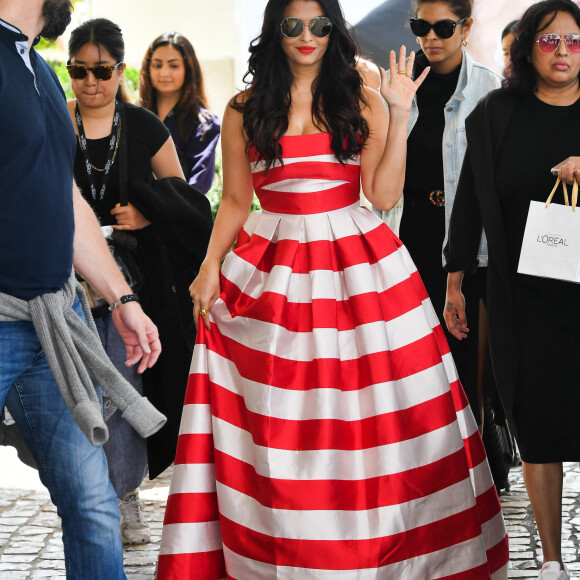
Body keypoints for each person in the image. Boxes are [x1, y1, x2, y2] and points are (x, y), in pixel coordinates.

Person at [157, 0, 509, 577]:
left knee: (369, 414)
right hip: (269, 270)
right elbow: (239, 203)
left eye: (319, 25)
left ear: (334, 31)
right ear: (274, 30)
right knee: (277, 418)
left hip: (358, 268)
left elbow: (385, 193)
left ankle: (376, 549)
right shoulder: (244, 108)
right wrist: (207, 266)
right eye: (292, 25)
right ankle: (285, 543)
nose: (306, 37)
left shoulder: (361, 96)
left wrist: (398, 113)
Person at [0, 0, 163, 577]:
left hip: (54, 324)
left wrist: (122, 298)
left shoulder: (38, 69)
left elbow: (64, 200)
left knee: (94, 506)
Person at [443, 1, 580, 578]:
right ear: (526, 48)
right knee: (538, 422)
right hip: (524, 296)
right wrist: (454, 279)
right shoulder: (497, 112)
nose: (562, 52)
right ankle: (552, 561)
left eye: (573, 41)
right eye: (548, 41)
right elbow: (471, 199)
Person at [67, 18, 212, 546]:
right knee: (72, 388)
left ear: (120, 70)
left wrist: (149, 214)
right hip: (65, 280)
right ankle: (86, 496)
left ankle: (124, 496)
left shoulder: (145, 126)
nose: (90, 82)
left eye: (101, 70)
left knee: (122, 380)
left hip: (134, 280)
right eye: (79, 70)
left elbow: (185, 204)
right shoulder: (58, 122)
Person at [373, 0, 501, 429]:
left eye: (443, 28)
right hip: (409, 239)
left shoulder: (490, 89)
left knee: (468, 372)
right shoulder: (398, 87)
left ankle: (479, 471)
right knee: (412, 367)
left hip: (470, 247)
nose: (430, 37)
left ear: (466, 28)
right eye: (420, 26)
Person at [139, 32, 220, 194]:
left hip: (181, 215)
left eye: (173, 65)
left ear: (188, 69)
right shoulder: (134, 117)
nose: (164, 73)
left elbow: (199, 185)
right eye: (157, 65)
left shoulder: (205, 124)